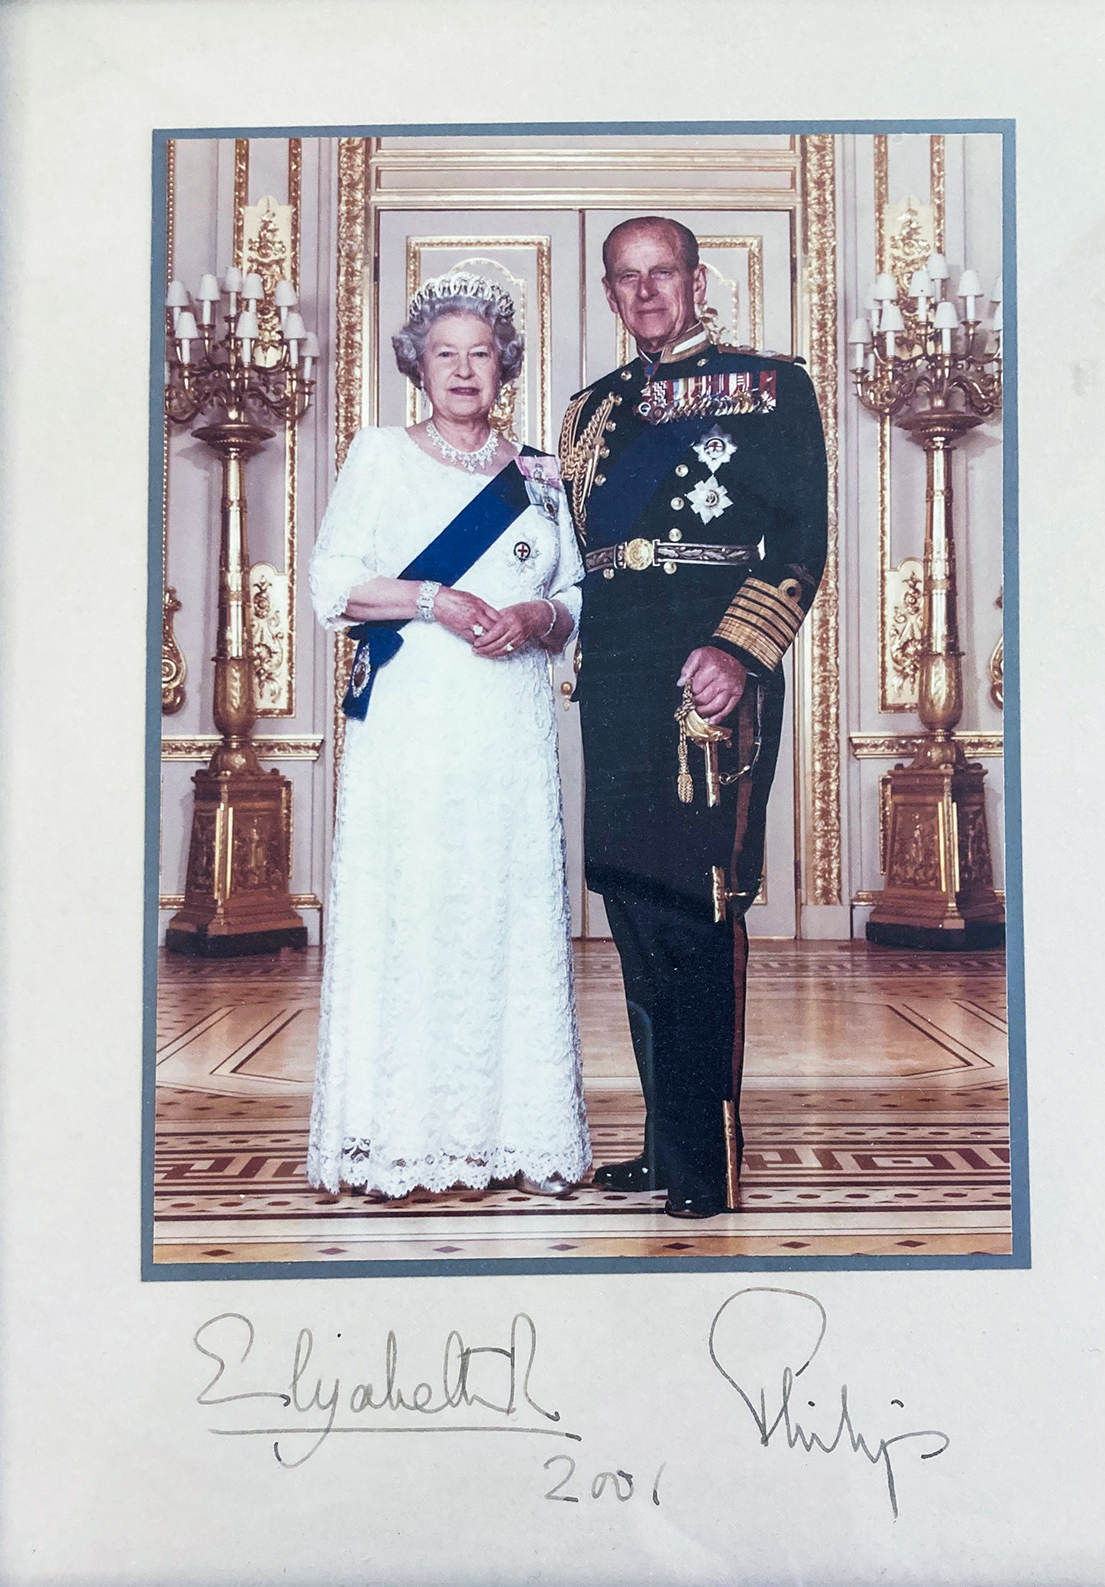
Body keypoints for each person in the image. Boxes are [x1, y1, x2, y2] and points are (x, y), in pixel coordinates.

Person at [559, 217, 828, 1219]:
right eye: (624, 280)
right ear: (609, 294)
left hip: (709, 672)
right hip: (621, 676)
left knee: (698, 912)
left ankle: (708, 1161)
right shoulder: (595, 411)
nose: (645, 294)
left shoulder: (767, 388)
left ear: (696, 278)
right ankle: (666, 1147)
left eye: (660, 273)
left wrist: (740, 650)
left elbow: (802, 539)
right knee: (634, 911)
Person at [307, 271, 591, 1202]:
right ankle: (399, 1141)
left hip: (508, 729)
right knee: (418, 907)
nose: (464, 370)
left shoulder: (541, 473)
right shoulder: (381, 454)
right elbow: (331, 586)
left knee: (501, 910)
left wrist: (542, 616)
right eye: (445, 354)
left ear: (504, 362)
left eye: (480, 353)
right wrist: (435, 599)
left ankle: (510, 1136)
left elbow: (580, 592)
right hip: (415, 726)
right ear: (417, 366)